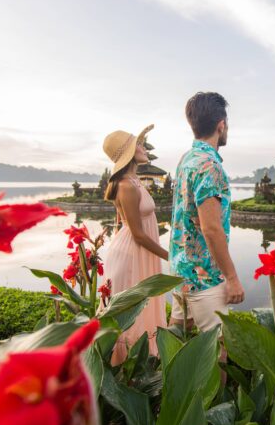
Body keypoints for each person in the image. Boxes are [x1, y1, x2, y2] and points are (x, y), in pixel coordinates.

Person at [169, 92, 244, 333]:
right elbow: (210, 228)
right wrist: (231, 278)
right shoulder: (209, 166)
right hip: (206, 278)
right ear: (221, 125)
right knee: (216, 355)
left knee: (176, 345)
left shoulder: (186, 160)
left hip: (180, 271)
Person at [102, 125, 169, 365]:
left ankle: (143, 366)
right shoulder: (126, 185)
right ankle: (124, 368)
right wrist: (169, 255)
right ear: (129, 153)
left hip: (138, 251)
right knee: (132, 315)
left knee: (144, 308)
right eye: (138, 144)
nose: (143, 147)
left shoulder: (133, 180)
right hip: (132, 253)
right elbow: (138, 234)